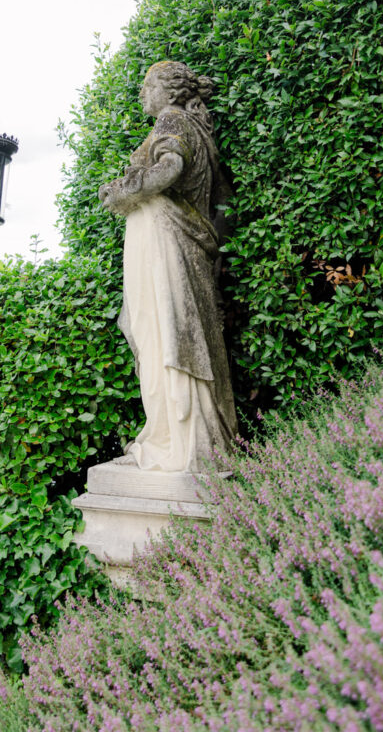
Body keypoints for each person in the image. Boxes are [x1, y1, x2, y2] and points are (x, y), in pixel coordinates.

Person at [98, 60, 238, 472]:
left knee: (162, 330)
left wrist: (124, 190)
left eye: (148, 85)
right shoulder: (199, 132)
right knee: (173, 330)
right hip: (181, 240)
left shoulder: (172, 120)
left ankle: (174, 439)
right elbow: (224, 207)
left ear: (170, 91)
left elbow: (170, 167)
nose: (142, 93)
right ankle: (193, 435)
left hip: (165, 239)